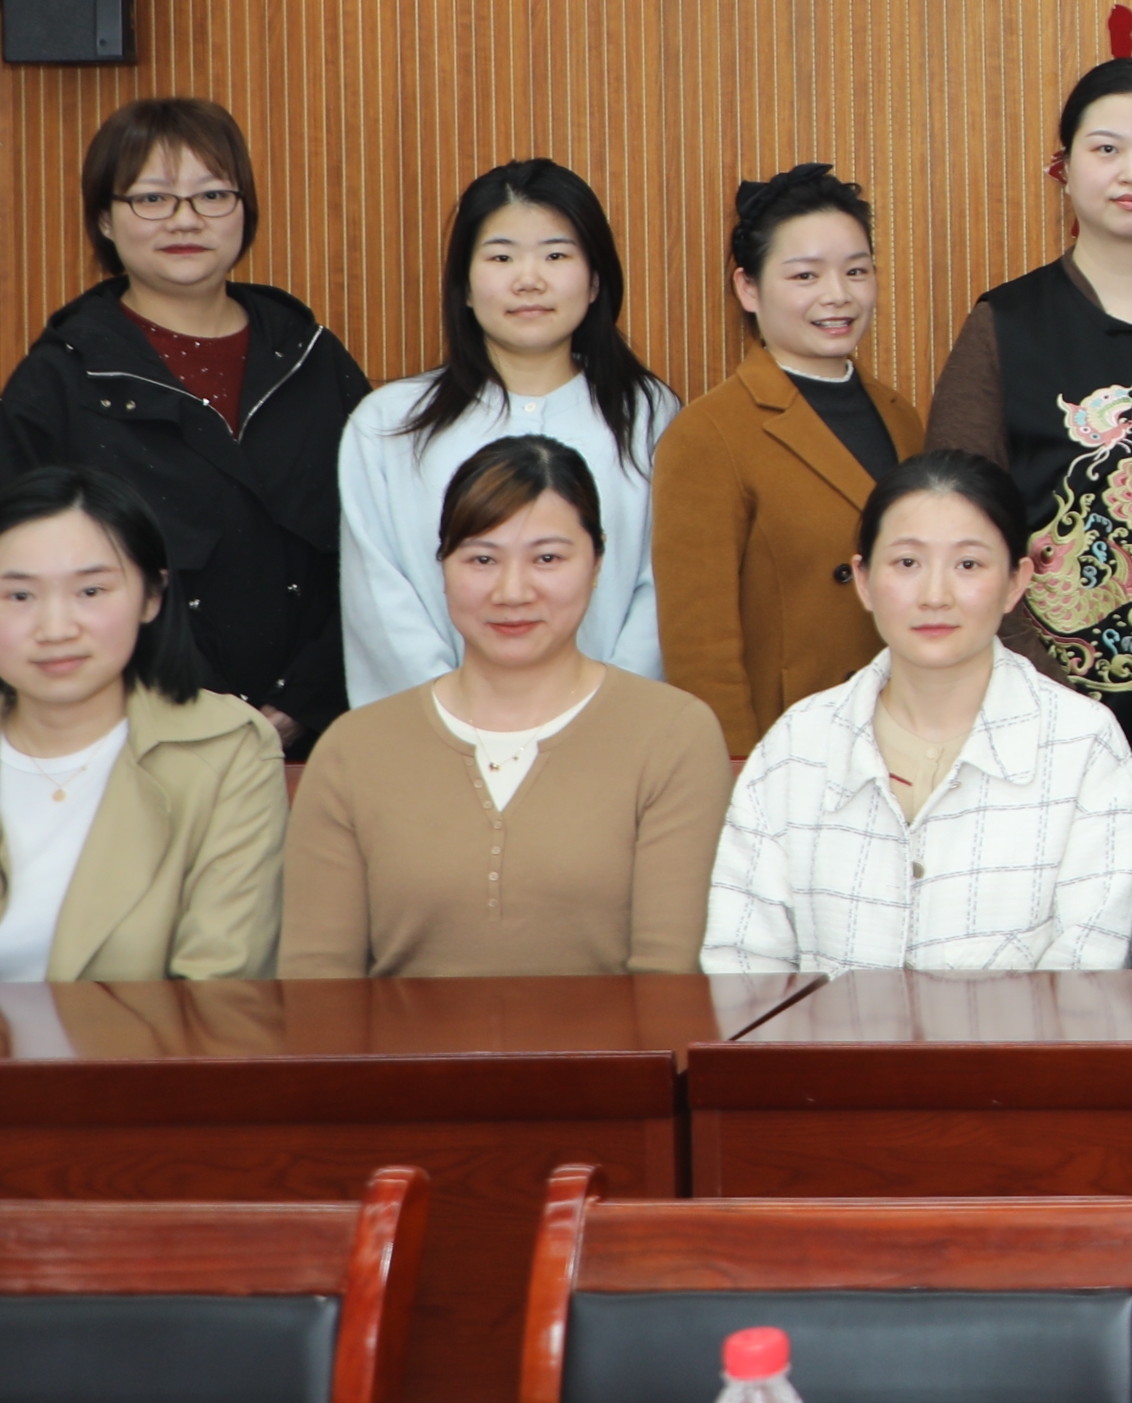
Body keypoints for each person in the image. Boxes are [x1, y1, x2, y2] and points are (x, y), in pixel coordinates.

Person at [0, 98, 369, 757]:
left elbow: (378, 548)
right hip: (135, 739)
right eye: (152, 198)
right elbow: (24, 580)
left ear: (245, 209)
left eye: (212, 195)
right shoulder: (59, 381)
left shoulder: (311, 358)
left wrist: (301, 704)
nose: (185, 219)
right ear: (104, 218)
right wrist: (194, 709)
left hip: (322, 736)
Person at [285, 438, 732, 976]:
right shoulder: (354, 749)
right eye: (482, 559)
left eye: (547, 558)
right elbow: (318, 987)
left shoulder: (672, 733)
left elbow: (669, 980)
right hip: (398, 1038)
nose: (512, 591)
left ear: (597, 562)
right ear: (442, 565)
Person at [703, 451, 1132, 975]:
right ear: (864, 580)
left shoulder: (1083, 743)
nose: (935, 596)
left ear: (1016, 581)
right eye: (907, 563)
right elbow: (743, 966)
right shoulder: (795, 747)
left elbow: (1088, 968)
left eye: (968, 564)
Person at [926, 57, 1132, 754]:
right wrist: (1050, 702)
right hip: (1042, 720)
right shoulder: (1004, 324)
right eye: (1106, 149)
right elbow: (955, 533)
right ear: (1065, 167)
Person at [0, 470, 285, 985]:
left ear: (152, 596)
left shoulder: (227, 751)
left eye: (91, 590)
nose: (55, 629)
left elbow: (222, 991)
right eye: (20, 596)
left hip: (152, 1042)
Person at [336, 159, 674, 707]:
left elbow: (662, 589)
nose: (528, 279)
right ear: (465, 286)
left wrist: (603, 719)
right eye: (501, 257)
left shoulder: (649, 415)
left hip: (611, 731)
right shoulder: (388, 426)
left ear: (594, 281)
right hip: (437, 739)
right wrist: (452, 723)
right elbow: (381, 606)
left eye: (556, 255)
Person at [655, 164, 921, 754]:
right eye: (805, 275)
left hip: (903, 733)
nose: (838, 294)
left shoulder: (901, 416)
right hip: (790, 749)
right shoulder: (708, 433)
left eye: (857, 270)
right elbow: (699, 644)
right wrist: (735, 767)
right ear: (748, 288)